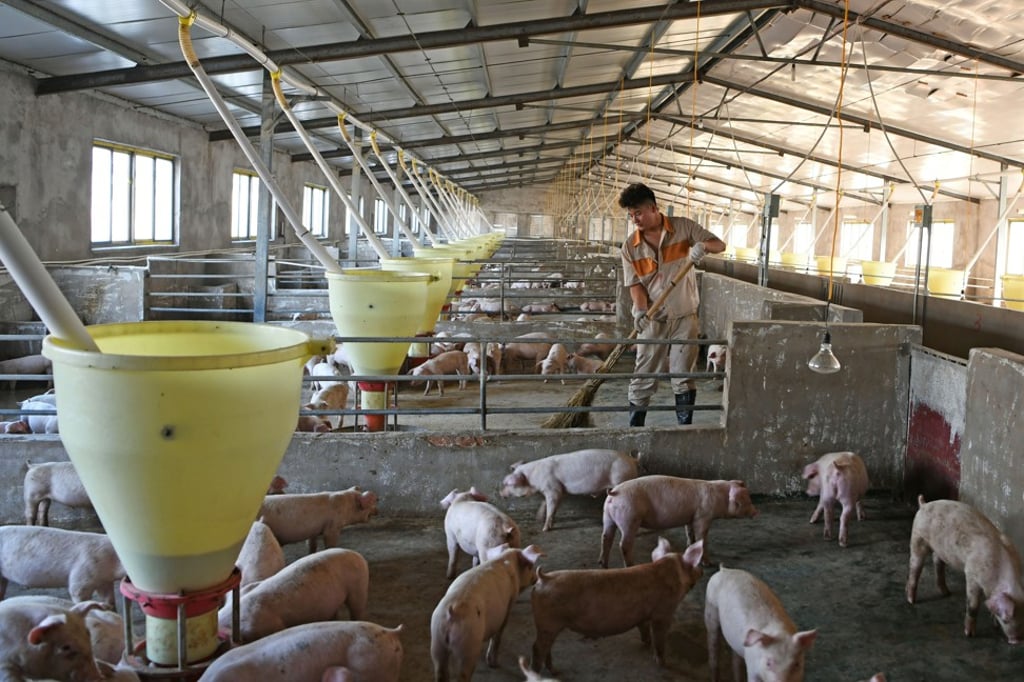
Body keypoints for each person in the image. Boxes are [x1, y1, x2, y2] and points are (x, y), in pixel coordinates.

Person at [618, 182, 726, 426]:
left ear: (654, 208)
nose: (635, 219)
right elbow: (635, 284)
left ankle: (684, 428)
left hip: (685, 315)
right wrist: (641, 310)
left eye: (638, 213)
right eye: (631, 215)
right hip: (652, 318)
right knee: (643, 374)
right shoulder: (629, 247)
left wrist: (702, 246)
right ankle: (636, 429)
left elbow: (720, 244)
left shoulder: (683, 227)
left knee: (682, 375)